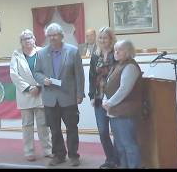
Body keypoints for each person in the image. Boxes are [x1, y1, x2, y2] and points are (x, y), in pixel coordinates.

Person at [34, 23, 85, 167]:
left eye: (55, 35)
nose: (52, 38)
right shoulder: (41, 53)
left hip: (68, 97)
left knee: (72, 128)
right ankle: (59, 155)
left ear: (61, 35)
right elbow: (36, 72)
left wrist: (80, 94)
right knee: (54, 129)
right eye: (49, 36)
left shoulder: (73, 51)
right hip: (50, 98)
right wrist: (43, 80)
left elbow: (79, 75)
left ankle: (74, 155)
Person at [10, 29, 52, 161]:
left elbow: (48, 70)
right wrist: (28, 88)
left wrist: (39, 86)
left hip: (41, 92)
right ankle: (29, 151)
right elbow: (13, 74)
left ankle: (47, 150)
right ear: (21, 42)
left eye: (29, 38)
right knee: (27, 125)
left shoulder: (42, 51)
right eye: (24, 39)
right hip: (25, 94)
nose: (27, 40)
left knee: (43, 124)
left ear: (34, 39)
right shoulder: (16, 54)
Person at [102, 40, 142, 168]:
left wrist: (109, 102)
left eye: (120, 50)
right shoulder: (118, 65)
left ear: (128, 51)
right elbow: (108, 85)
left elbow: (124, 89)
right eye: (115, 50)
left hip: (125, 112)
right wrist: (105, 100)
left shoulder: (130, 66)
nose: (116, 52)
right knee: (119, 145)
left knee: (128, 144)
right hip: (115, 111)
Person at [88, 27, 119, 169]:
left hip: (115, 99)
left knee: (118, 131)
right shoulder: (95, 55)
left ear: (111, 39)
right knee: (103, 131)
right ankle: (110, 159)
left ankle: (118, 159)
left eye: (105, 38)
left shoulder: (117, 54)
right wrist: (92, 96)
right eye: (100, 38)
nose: (102, 40)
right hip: (99, 98)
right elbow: (92, 77)